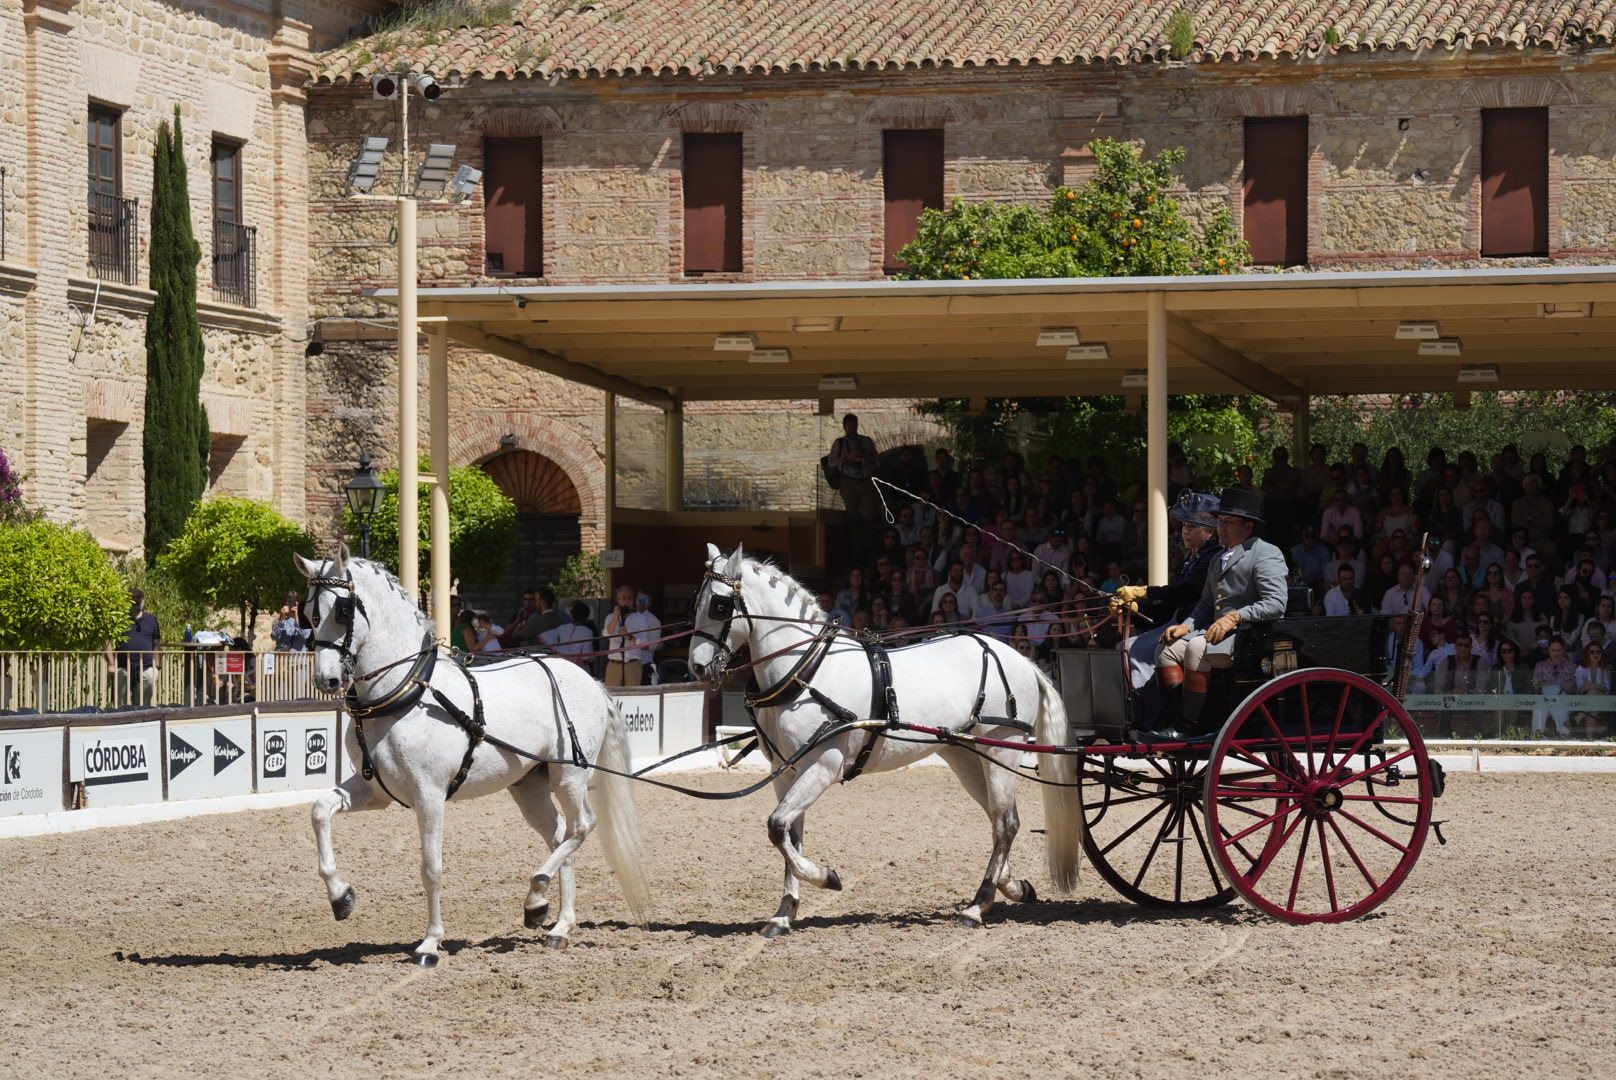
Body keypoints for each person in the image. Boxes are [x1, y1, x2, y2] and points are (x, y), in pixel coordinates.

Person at [1136, 488, 1288, 741]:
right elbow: (1206, 604)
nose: (1221, 527)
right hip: (1217, 634)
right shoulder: (1218, 557)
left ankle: (1187, 726)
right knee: (1167, 647)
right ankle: (1173, 717)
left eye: (1228, 522)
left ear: (1248, 526)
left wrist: (1235, 617)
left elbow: (1275, 603)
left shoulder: (1266, 553)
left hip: (1250, 637)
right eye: (1219, 521)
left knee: (1196, 647)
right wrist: (1185, 625)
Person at [1111, 490, 1223, 699]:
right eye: (1183, 526)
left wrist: (1143, 592)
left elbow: (1181, 594)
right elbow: (1171, 603)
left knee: (1132, 649)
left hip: (1198, 624)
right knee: (1123, 646)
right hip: (1177, 620)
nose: (1184, 531)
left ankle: (1144, 706)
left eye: (1191, 526)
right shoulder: (1195, 557)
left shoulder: (1211, 557)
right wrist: (1135, 609)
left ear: (1209, 532)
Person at [826, 413, 879, 559]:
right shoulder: (840, 443)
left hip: (866, 481)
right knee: (852, 517)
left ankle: (868, 548)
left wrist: (865, 455)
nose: (852, 429)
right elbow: (831, 463)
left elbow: (877, 460)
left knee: (869, 516)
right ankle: (856, 551)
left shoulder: (867, 441)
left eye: (855, 426)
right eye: (849, 426)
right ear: (844, 427)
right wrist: (848, 458)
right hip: (848, 481)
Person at [114, 589, 161, 707]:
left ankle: (140, 712)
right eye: (133, 599)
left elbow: (156, 642)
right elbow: (108, 641)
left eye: (138, 598)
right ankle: (121, 714)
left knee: (149, 679)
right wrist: (111, 664)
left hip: (146, 666)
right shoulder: (120, 619)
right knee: (120, 682)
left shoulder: (151, 619)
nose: (136, 601)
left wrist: (157, 665)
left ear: (143, 600)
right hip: (123, 666)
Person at [1531, 636, 1577, 735]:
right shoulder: (1541, 665)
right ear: (1548, 650)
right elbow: (1535, 685)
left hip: (1564, 699)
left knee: (1559, 708)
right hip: (1545, 698)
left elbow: (1574, 688)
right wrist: (1543, 685)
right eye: (1553, 650)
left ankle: (1564, 737)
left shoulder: (1571, 666)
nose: (1556, 653)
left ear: (1563, 650)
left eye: (1559, 650)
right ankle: (1536, 737)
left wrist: (1570, 686)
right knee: (1538, 709)